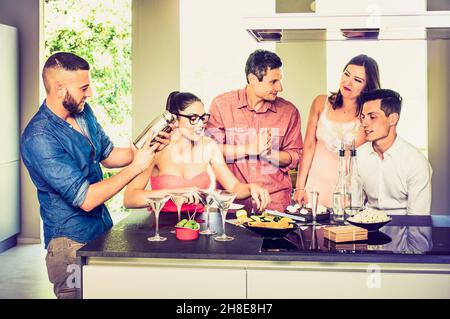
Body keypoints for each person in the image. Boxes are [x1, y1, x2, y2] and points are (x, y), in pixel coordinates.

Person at [20, 52, 171, 299]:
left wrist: (151, 147)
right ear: (59, 90)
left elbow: (109, 155)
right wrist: (136, 168)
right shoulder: (39, 138)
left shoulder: (83, 112)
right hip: (69, 244)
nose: (90, 93)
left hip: (101, 230)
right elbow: (86, 198)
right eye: (84, 87)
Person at [123, 91, 271, 212]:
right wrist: (175, 194)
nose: (200, 124)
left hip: (198, 225)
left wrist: (251, 188)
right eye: (193, 118)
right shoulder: (157, 149)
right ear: (174, 120)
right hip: (160, 227)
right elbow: (130, 199)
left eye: (202, 118)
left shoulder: (209, 146)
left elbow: (233, 187)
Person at [206, 50, 303, 212]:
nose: (280, 87)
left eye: (280, 80)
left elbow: (295, 155)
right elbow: (211, 150)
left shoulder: (289, 111)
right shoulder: (222, 105)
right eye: (273, 82)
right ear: (252, 79)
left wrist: (269, 154)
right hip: (231, 204)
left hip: (275, 203)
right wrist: (250, 149)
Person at [294, 54, 380, 207]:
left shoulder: (367, 118)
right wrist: (300, 186)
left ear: (367, 86)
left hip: (347, 194)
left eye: (357, 80)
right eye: (346, 74)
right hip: (314, 190)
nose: (348, 82)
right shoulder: (321, 103)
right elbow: (308, 147)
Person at [357, 89, 432, 215]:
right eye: (363, 117)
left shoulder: (416, 162)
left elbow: (418, 220)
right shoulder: (358, 156)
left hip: (403, 231)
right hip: (367, 230)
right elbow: (354, 208)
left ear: (393, 119)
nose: (364, 123)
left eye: (372, 117)